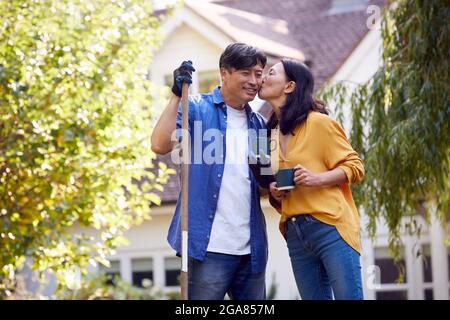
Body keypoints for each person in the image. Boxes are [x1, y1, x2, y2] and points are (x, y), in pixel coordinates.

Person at [151, 43, 269, 300]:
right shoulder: (195, 108)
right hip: (208, 248)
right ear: (224, 73)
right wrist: (174, 95)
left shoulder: (259, 125)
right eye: (246, 73)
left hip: (251, 252)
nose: (254, 81)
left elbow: (262, 185)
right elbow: (159, 144)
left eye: (258, 74)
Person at [259, 58, 365, 300]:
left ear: (289, 86)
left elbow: (355, 166)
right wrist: (274, 191)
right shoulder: (267, 134)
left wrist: (318, 179)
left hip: (330, 225)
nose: (263, 77)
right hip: (295, 233)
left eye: (271, 73)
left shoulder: (319, 123)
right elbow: (267, 184)